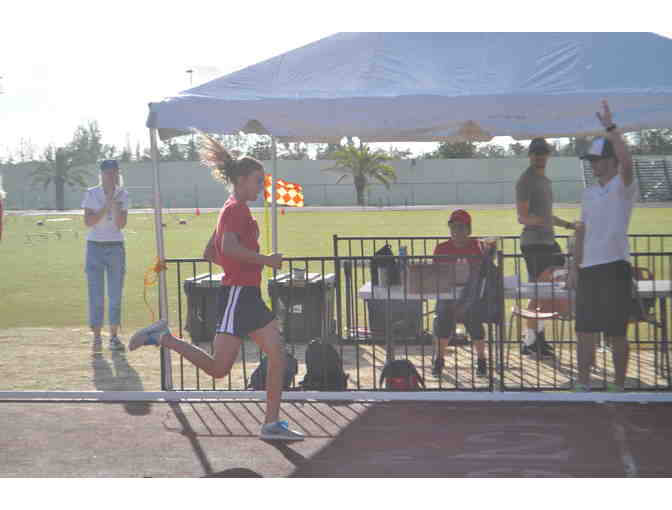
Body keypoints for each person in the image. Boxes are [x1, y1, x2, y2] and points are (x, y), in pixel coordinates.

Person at [128, 133, 304, 442]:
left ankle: (271, 422)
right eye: (257, 180)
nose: (262, 186)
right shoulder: (236, 210)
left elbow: (210, 252)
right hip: (239, 295)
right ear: (241, 180)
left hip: (243, 293)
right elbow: (226, 247)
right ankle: (271, 422)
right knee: (247, 361)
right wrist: (265, 260)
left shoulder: (231, 207)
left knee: (253, 360)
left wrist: (239, 265)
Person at [573, 100, 635, 393]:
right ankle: (583, 383)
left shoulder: (623, 187)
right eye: (592, 161)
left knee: (616, 332)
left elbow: (628, 161)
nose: (594, 165)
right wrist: (574, 267)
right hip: (589, 269)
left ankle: (619, 386)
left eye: (597, 160)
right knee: (584, 330)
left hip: (615, 266)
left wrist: (611, 128)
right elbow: (581, 232)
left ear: (611, 161)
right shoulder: (588, 193)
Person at [515, 137, 576, 357]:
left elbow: (547, 215)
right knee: (540, 293)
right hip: (534, 244)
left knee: (549, 293)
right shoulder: (526, 181)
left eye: (543, 152)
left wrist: (569, 225)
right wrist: (543, 221)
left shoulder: (545, 181)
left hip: (549, 243)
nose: (539, 156)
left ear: (548, 154)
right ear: (529, 155)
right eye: (535, 152)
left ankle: (537, 337)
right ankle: (530, 341)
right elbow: (522, 217)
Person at [431, 209, 489, 377]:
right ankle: (439, 360)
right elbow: (435, 274)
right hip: (448, 296)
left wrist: (489, 254)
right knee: (443, 319)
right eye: (453, 226)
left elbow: (486, 272)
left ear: (469, 230)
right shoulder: (441, 248)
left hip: (471, 297)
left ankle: (481, 360)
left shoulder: (478, 246)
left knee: (474, 319)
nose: (456, 231)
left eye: (461, 227)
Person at [82, 160, 129, 351]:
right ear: (101, 174)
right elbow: (88, 221)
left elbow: (120, 224)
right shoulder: (91, 193)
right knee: (96, 292)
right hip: (94, 247)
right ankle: (96, 336)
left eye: (115, 173)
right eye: (108, 173)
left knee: (115, 293)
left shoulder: (123, 194)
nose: (112, 177)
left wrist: (115, 205)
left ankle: (114, 336)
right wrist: (105, 206)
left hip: (116, 247)